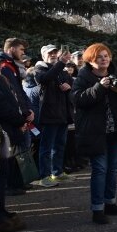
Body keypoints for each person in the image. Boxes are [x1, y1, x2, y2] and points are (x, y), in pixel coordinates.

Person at [71, 43, 117, 224]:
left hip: (115, 131)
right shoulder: (83, 77)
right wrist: (99, 87)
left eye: (106, 55)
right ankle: (97, 209)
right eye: (100, 56)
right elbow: (78, 99)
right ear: (91, 60)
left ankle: (110, 202)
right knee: (100, 169)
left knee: (113, 169)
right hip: (95, 132)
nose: (104, 59)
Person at [34, 44, 74, 186]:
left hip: (62, 113)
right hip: (49, 114)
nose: (52, 55)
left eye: (55, 52)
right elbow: (44, 79)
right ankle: (44, 176)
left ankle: (57, 172)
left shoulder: (60, 68)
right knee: (46, 147)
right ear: (43, 55)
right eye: (50, 53)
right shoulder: (39, 68)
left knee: (60, 145)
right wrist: (61, 63)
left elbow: (70, 81)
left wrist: (68, 86)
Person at [0, 68, 30, 232]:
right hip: (4, 128)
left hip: (5, 131)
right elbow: (2, 106)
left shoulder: (1, 77)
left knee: (3, 173)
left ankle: (1, 211)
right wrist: (19, 120)